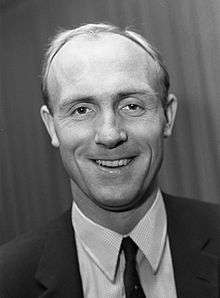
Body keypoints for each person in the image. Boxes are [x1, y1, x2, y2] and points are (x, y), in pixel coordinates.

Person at [0, 23, 220, 298]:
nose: (110, 134)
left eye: (132, 106)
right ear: (52, 127)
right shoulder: (7, 281)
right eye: (81, 109)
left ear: (168, 116)